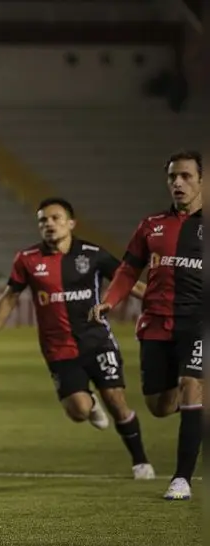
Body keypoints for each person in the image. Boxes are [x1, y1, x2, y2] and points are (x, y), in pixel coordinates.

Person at [0, 198, 154, 478]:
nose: (49, 225)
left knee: (116, 400)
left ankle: (141, 461)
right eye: (43, 220)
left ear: (71, 223)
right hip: (58, 348)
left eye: (56, 218)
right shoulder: (27, 259)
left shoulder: (92, 254)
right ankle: (91, 406)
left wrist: (166, 304)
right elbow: (10, 298)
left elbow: (126, 281)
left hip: (97, 340)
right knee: (78, 410)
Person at [90, 150, 203, 501]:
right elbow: (127, 271)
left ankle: (181, 478)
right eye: (172, 177)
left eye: (185, 176)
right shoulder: (151, 225)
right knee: (159, 405)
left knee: (191, 385)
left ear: (201, 181)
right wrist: (109, 301)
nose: (178, 183)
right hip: (155, 323)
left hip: (197, 322)